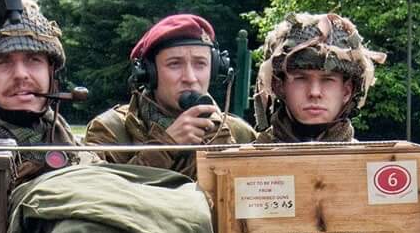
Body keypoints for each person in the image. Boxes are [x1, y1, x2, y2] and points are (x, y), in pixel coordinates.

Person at [85, 13, 253, 177]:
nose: (190, 78)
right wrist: (164, 146)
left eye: (200, 64)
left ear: (215, 69)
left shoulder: (239, 134)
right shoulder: (111, 130)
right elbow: (100, 196)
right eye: (174, 64)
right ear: (149, 73)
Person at [0, 0, 76, 182]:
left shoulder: (76, 150)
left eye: (33, 59)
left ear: (51, 72)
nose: (21, 74)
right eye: (2, 61)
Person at [252, 11, 384, 143]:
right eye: (300, 79)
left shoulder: (369, 162)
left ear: (347, 91)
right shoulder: (246, 161)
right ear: (279, 86)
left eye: (327, 80)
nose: (314, 92)